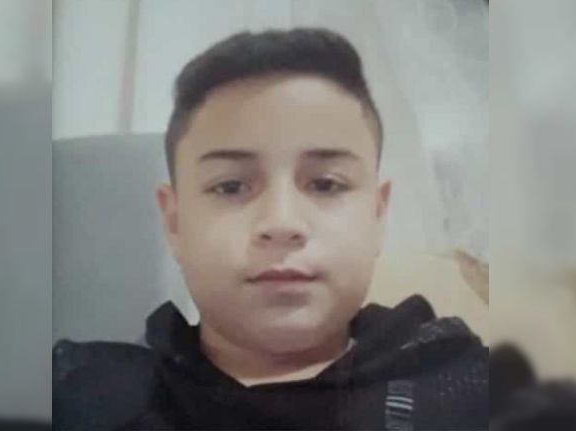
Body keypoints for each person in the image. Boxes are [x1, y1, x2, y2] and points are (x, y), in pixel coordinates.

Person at [53, 28, 488, 430]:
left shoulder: (477, 393)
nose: (282, 223)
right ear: (174, 221)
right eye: (230, 187)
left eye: (325, 184)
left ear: (377, 215)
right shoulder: (76, 394)